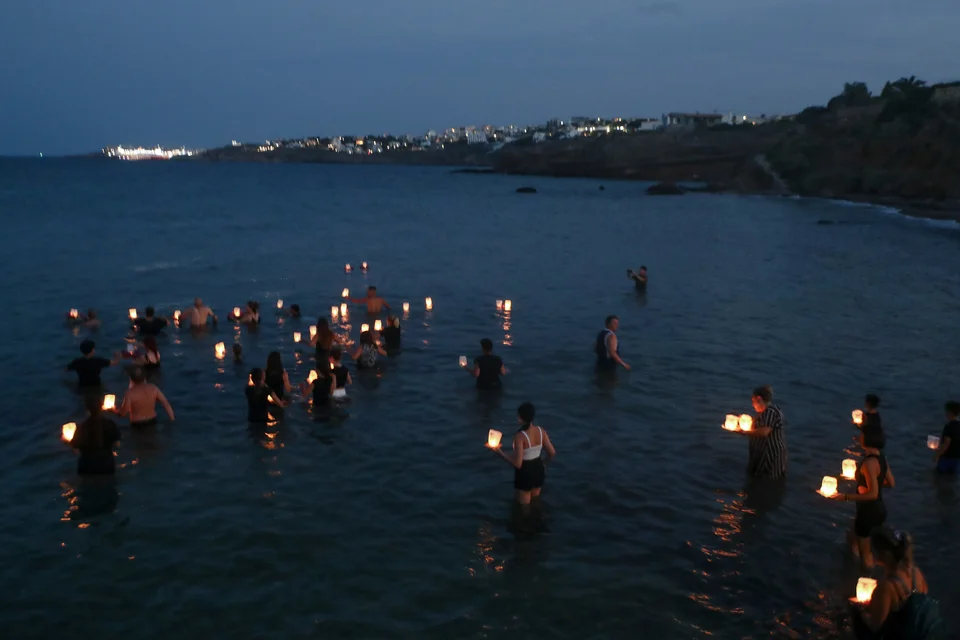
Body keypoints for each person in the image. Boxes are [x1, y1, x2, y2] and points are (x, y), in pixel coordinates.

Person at [850, 527, 942, 639]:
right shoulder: (916, 572)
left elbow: (875, 626)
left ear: (883, 554)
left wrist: (861, 610)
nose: (871, 553)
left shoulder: (887, 586)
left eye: (873, 549)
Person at [831, 426, 894, 569]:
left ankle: (865, 578)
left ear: (868, 439)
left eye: (861, 435)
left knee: (865, 553)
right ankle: (852, 559)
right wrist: (872, 484)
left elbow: (873, 494)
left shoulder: (869, 463)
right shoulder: (881, 458)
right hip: (879, 510)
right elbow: (891, 483)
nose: (859, 437)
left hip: (868, 512)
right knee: (854, 536)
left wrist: (845, 497)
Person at [493, 402, 556, 505]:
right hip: (538, 469)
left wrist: (500, 452)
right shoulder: (541, 431)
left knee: (524, 508)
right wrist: (544, 463)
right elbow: (552, 452)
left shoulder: (520, 436)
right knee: (536, 502)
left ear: (520, 418)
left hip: (525, 473)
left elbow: (518, 464)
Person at [742, 385, 788, 479]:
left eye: (753, 401)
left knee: (768, 481)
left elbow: (764, 432)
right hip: (761, 454)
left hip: (770, 455)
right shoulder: (764, 412)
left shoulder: (771, 412)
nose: (752, 404)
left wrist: (744, 432)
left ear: (759, 399)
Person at [72, 393, 121, 475]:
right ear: (102, 407)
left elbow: (75, 446)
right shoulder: (110, 424)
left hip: (87, 465)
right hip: (106, 464)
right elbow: (117, 444)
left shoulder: (82, 427)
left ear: (87, 409)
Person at [934, 400, 960, 474]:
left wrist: (937, 455)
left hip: (946, 459)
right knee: (951, 479)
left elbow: (946, 444)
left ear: (949, 413)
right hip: (957, 459)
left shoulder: (949, 426)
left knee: (939, 479)